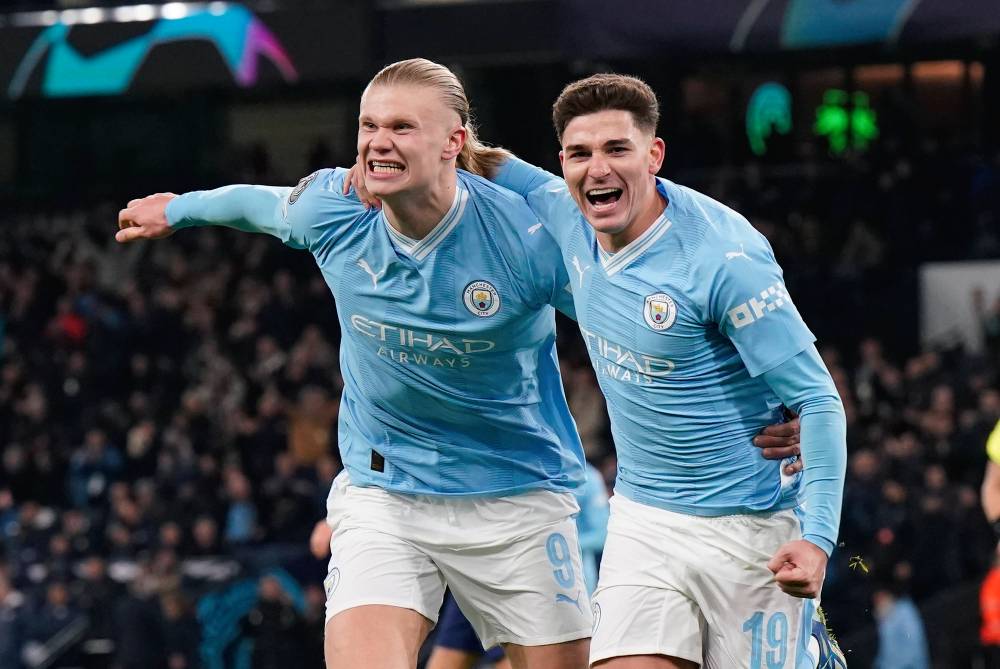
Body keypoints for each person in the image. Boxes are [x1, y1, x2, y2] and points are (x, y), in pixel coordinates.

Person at [119, 59, 802, 669]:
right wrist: (175, 210)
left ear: (452, 142)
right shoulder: (335, 208)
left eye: (401, 127)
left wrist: (769, 399)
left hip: (520, 495)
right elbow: (254, 204)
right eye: (368, 125)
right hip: (387, 492)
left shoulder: (527, 236)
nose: (377, 141)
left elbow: (643, 318)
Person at [477, 74, 848, 668]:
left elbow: (819, 402)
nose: (597, 168)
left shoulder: (725, 260)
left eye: (616, 149)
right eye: (580, 153)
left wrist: (817, 541)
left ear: (654, 155)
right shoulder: (566, 211)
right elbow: (496, 165)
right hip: (643, 523)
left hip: (749, 530)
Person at [425, 461, 609, 669]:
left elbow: (602, 533)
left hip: (538, 576)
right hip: (476, 567)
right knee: (446, 659)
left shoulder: (585, 475)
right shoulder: (472, 465)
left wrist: (558, 545)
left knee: (513, 661)